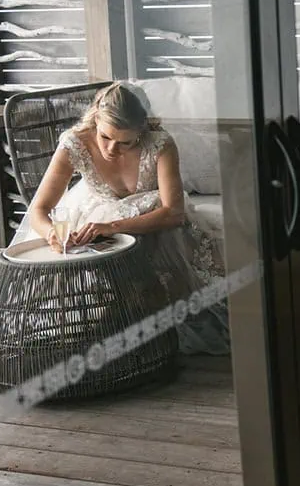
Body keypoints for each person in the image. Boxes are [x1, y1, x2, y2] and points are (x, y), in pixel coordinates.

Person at [27, 82, 229, 355]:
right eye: (105, 137)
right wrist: (52, 233)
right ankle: (117, 319)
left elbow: (174, 212)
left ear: (143, 130)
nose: (112, 149)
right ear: (95, 119)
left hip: (151, 224)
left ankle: (160, 323)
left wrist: (111, 226)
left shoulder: (160, 144)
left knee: (166, 225)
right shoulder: (75, 144)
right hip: (96, 217)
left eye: (126, 142)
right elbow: (38, 211)